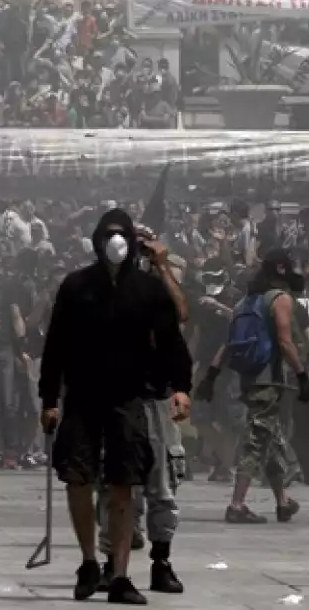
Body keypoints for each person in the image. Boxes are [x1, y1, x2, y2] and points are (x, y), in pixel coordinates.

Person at [37, 208, 189, 605]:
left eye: (122, 234)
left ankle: (120, 574)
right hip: (83, 397)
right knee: (78, 479)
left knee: (124, 483)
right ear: (97, 240)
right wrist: (49, 398)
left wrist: (181, 387)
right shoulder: (76, 286)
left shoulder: (147, 288)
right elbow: (56, 345)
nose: (116, 241)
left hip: (128, 396)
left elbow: (172, 335)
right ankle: (90, 561)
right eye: (109, 234)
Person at [94, 233, 193, 596]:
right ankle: (111, 563)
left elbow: (180, 313)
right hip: (118, 399)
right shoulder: (106, 285)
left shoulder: (156, 288)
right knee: (117, 487)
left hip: (156, 399)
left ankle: (161, 562)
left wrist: (162, 265)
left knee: (162, 486)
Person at [199, 248, 309, 525]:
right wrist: (302, 377)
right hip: (268, 381)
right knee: (255, 441)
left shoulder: (246, 302)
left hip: (249, 379)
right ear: (282, 270)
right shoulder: (280, 300)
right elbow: (286, 342)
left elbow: (228, 345)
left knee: (269, 439)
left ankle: (282, 502)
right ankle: (237, 505)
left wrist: (211, 376)